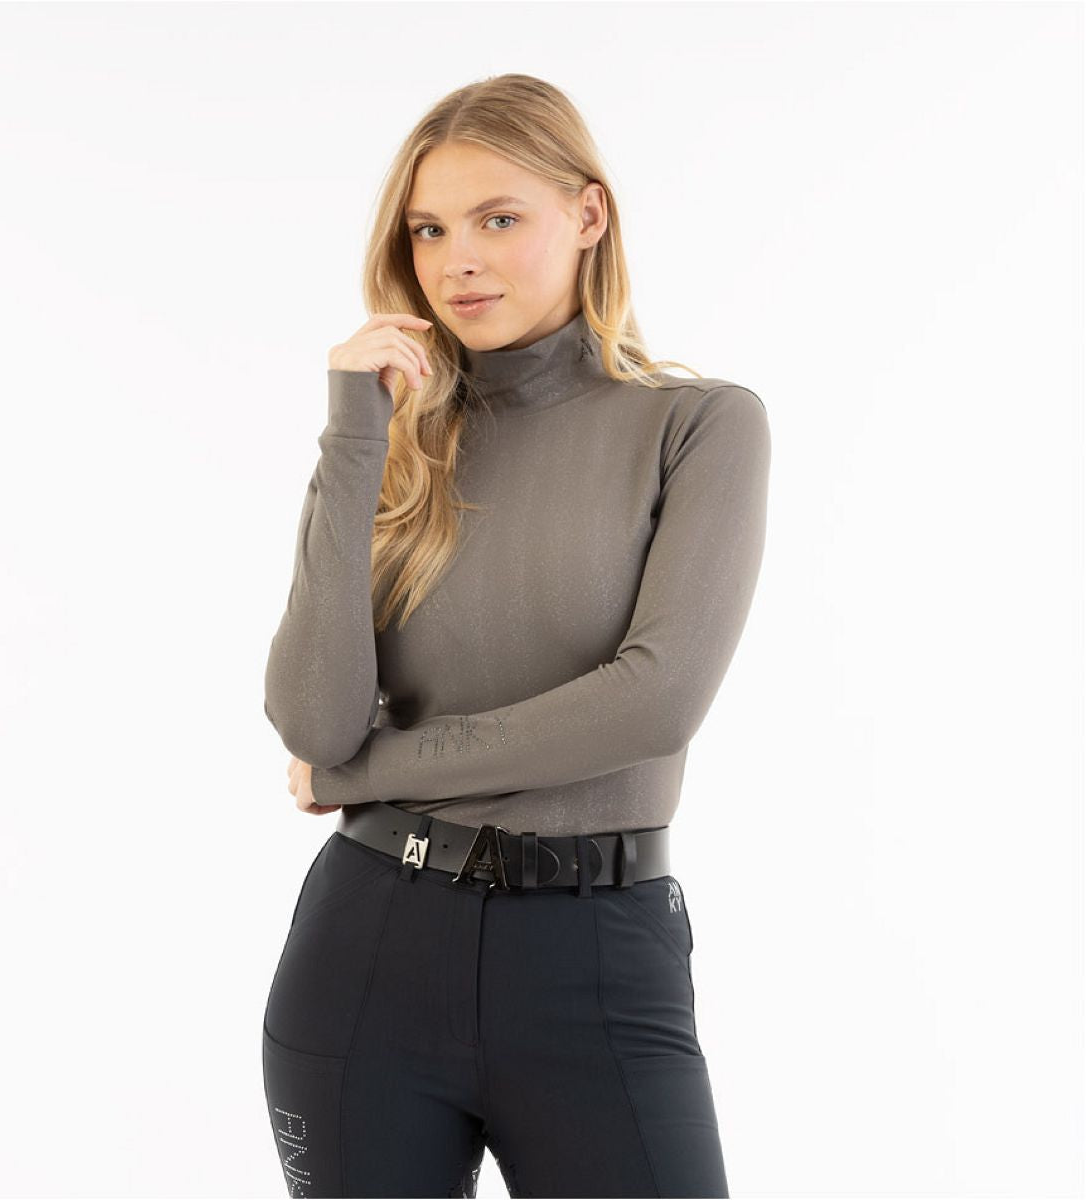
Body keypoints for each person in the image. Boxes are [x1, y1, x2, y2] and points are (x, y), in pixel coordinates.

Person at [260, 72, 770, 1199]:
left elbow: (653, 701)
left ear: (588, 215)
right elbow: (312, 722)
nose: (458, 261)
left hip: (598, 960)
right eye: (429, 230)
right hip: (367, 953)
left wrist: (368, 774)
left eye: (498, 219)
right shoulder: (391, 442)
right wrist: (355, 434)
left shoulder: (698, 426)